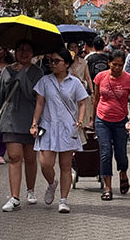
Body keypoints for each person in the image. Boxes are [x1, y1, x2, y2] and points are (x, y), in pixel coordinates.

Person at [0, 41, 43, 212]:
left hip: (31, 119)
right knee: (15, 157)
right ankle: (14, 197)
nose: (24, 53)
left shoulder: (37, 72)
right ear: (15, 52)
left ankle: (30, 190)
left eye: (28, 50)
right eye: (20, 50)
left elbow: (39, 98)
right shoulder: (7, 71)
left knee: (30, 158)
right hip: (10, 118)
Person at [30, 47, 88, 214]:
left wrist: (80, 119)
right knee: (45, 163)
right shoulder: (45, 81)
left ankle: (63, 200)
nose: (52, 64)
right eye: (51, 61)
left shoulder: (75, 82)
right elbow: (39, 103)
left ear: (66, 64)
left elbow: (82, 102)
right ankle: (51, 183)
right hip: (47, 126)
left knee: (66, 165)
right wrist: (34, 123)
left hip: (68, 127)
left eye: (56, 61)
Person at [92, 49, 130, 200]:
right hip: (102, 120)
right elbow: (96, 98)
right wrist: (92, 119)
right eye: (114, 65)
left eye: (120, 65)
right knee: (105, 153)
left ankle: (123, 173)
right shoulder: (100, 77)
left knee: (121, 154)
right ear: (108, 63)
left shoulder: (129, 79)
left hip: (120, 121)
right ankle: (108, 188)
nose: (117, 68)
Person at [67, 40, 93, 126]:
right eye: (71, 47)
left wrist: (92, 91)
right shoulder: (65, 63)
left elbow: (88, 78)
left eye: (75, 47)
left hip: (81, 90)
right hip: (68, 91)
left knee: (82, 114)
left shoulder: (83, 62)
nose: (73, 49)